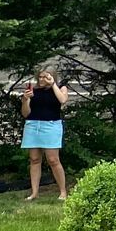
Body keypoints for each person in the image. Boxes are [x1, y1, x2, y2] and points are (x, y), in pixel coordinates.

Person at [18, 69, 69, 201]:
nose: (41, 79)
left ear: (52, 77)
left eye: (45, 77)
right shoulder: (33, 91)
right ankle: (34, 193)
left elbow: (63, 100)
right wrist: (25, 99)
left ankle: (63, 192)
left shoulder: (60, 88)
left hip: (51, 126)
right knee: (34, 159)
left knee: (53, 159)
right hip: (33, 126)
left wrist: (53, 84)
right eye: (40, 77)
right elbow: (25, 113)